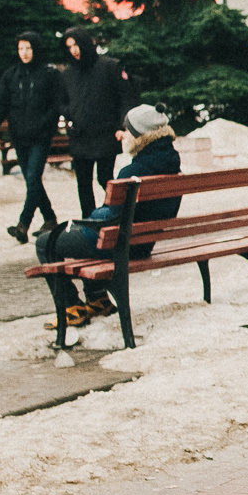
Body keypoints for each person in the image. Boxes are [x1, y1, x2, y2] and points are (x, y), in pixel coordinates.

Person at [33, 106, 180, 329]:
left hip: (123, 245)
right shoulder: (172, 166)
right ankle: (98, 299)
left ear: (141, 136)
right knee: (85, 236)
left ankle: (71, 307)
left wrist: (92, 215)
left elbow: (109, 219)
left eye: (127, 130)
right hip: (143, 243)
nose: (122, 135)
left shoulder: (133, 173)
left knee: (46, 242)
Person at [0, 31, 64, 242]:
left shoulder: (49, 74)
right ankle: (50, 218)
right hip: (19, 136)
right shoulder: (12, 75)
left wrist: (45, 124)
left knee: (32, 177)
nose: (24, 53)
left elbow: (56, 105)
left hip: (40, 135)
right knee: (33, 181)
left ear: (35, 49)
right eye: (21, 48)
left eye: (28, 48)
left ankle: (23, 224)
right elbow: (0, 101)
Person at [62, 26, 130, 217]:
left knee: (105, 179)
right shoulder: (68, 74)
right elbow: (60, 101)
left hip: (106, 133)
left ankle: (120, 214)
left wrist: (121, 126)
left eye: (76, 44)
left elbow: (125, 97)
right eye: (69, 46)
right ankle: (89, 221)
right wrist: (70, 112)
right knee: (83, 183)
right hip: (80, 135)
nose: (74, 50)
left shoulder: (109, 66)